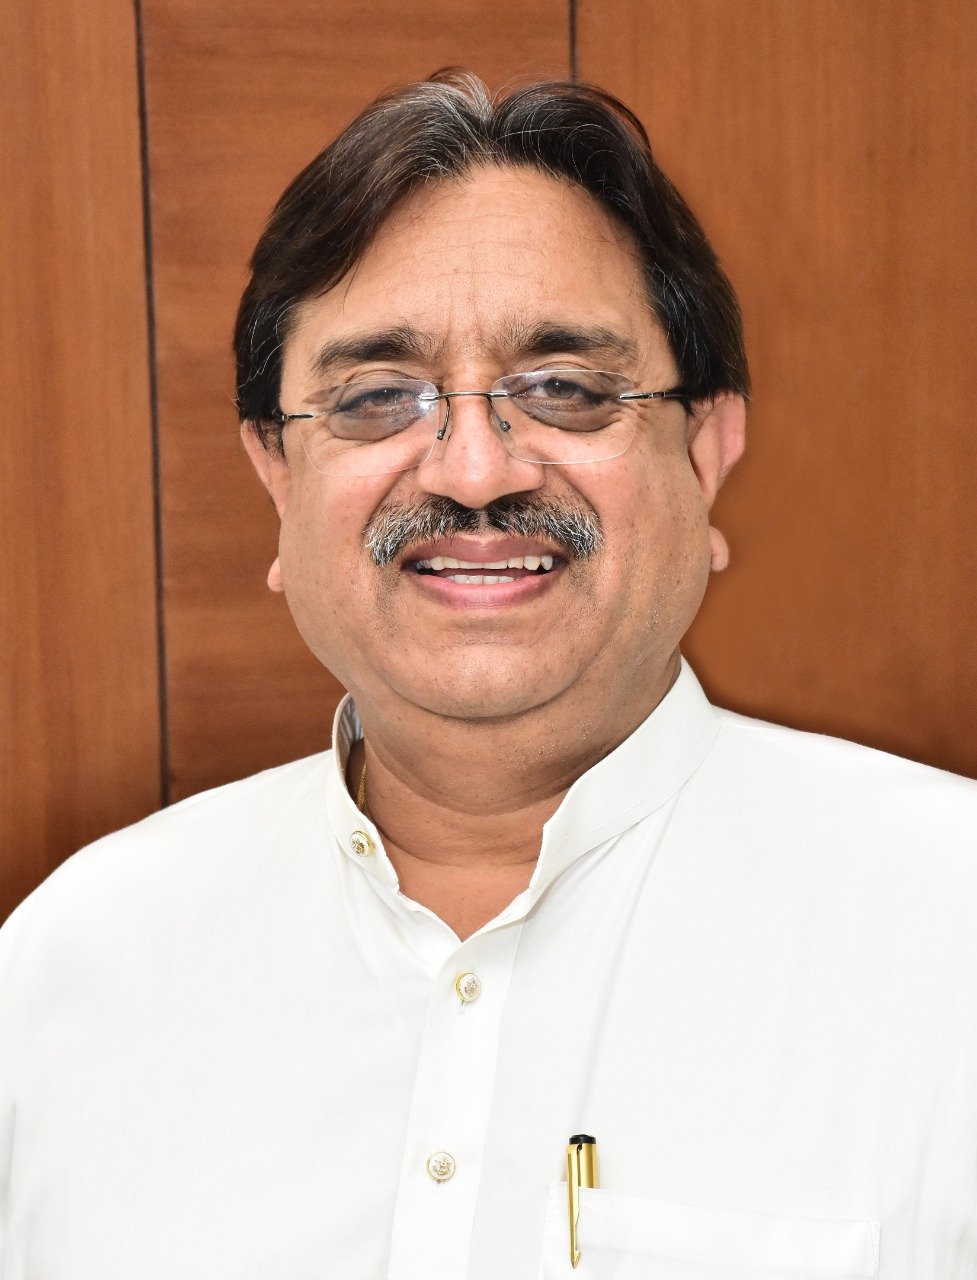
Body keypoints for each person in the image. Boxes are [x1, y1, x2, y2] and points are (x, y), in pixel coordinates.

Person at [1, 69, 976, 1280]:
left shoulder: (947, 927)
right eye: (375, 398)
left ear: (705, 451)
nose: (471, 472)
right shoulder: (71, 964)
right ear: (275, 477)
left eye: (563, 389)